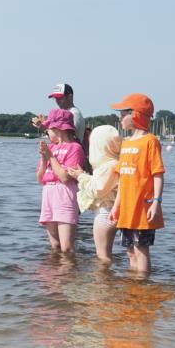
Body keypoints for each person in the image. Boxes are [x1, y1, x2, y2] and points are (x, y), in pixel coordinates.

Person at [109, 94, 165, 275]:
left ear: (135, 115)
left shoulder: (150, 141)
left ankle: (143, 287)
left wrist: (156, 201)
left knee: (141, 250)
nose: (119, 117)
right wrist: (116, 207)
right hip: (127, 208)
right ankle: (134, 287)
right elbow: (122, 180)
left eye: (123, 113)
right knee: (130, 251)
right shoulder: (126, 143)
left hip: (143, 207)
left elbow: (157, 173)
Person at [67, 125, 121, 262]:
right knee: (105, 254)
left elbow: (98, 189)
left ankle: (102, 282)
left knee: (102, 256)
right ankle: (107, 280)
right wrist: (83, 174)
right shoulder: (113, 163)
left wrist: (80, 176)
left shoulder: (109, 165)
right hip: (109, 212)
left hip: (105, 214)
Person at [36, 108, 85, 253]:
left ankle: (68, 273)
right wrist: (45, 160)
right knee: (55, 246)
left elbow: (64, 177)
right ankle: (55, 274)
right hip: (48, 194)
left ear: (58, 129)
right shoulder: (51, 148)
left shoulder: (75, 148)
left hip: (65, 195)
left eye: (48, 129)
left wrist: (50, 157)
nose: (47, 133)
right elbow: (40, 178)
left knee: (67, 248)